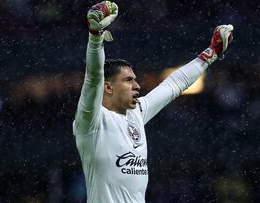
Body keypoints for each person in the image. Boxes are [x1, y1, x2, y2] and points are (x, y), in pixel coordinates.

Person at [72, 1, 234, 202]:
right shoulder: (91, 122)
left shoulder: (136, 113)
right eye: (129, 80)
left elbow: (174, 85)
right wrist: (95, 37)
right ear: (108, 87)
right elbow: (93, 77)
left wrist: (211, 54)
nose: (137, 86)